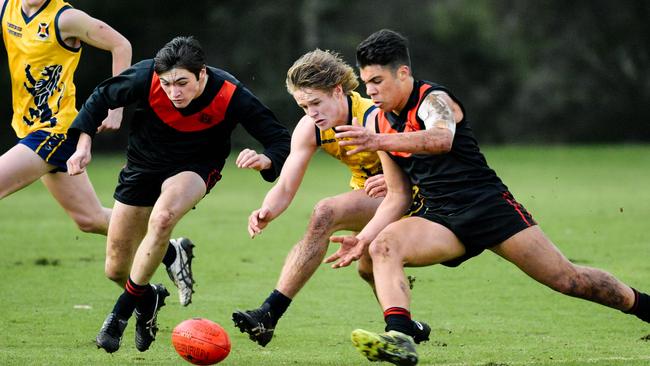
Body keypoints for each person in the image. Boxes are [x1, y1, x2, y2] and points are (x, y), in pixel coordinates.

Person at [325, 29, 650, 366]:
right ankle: (400, 338)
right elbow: (397, 195)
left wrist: (379, 143)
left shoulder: (434, 99)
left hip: (489, 207)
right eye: (366, 83)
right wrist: (362, 238)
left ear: (403, 72)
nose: (371, 91)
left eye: (377, 80)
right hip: (441, 217)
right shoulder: (378, 121)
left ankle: (647, 307)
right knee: (383, 245)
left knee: (568, 280)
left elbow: (440, 139)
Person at [66, 36, 291, 353]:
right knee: (116, 268)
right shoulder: (146, 76)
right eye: (168, 84)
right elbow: (101, 97)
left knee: (163, 218)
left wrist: (266, 160)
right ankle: (149, 300)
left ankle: (120, 313)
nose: (174, 92)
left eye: (183, 83)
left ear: (202, 74)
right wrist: (83, 145)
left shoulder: (230, 93)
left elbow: (280, 139)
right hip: (143, 164)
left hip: (195, 167)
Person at [0, 0, 195, 309]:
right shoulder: (6, 9)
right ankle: (169, 254)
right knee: (89, 219)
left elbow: (121, 45)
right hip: (28, 129)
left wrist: (116, 106)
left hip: (54, 132)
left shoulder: (66, 18)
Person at [232, 49, 431, 347]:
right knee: (366, 268)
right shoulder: (311, 128)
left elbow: (428, 158)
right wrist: (267, 210)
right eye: (303, 106)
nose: (311, 112)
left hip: (413, 197)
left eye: (316, 103)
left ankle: (268, 313)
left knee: (326, 211)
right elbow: (286, 184)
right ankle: (406, 328)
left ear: (338, 91)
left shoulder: (374, 116)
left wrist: (400, 177)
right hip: (369, 198)